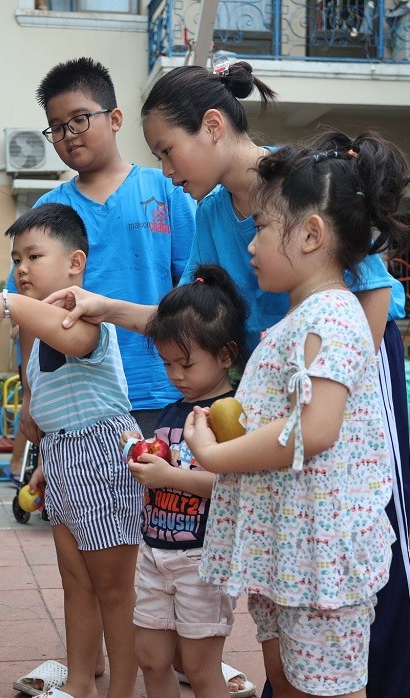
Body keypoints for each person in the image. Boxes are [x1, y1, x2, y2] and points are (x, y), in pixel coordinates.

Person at [139, 63, 410, 698]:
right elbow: (201, 308)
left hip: (321, 512)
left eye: (264, 232)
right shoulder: (278, 287)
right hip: (291, 516)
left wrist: (222, 452)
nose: (250, 243)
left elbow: (319, 423)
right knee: (291, 666)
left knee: (334, 650)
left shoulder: (312, 192)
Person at [0, 204, 144, 698]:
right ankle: (80, 682)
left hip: (105, 462)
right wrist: (45, 463)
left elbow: (62, 333)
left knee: (114, 591)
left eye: (33, 255)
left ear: (75, 263)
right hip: (66, 464)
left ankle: (123, 692)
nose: (21, 268)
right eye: (15, 259)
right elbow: (52, 415)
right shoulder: (34, 346)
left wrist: (3, 303)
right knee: (75, 584)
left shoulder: (86, 325)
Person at [18, 56, 196, 438]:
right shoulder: (47, 209)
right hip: (78, 401)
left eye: (80, 119)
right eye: (57, 127)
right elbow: (29, 306)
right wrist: (31, 393)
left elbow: (197, 289)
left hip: (162, 390)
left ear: (114, 119)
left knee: (162, 495)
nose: (69, 134)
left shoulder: (167, 189)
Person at [128, 264, 256, 698]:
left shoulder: (230, 414)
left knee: (201, 670)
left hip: (203, 558)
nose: (175, 375)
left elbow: (231, 486)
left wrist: (169, 476)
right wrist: (144, 458)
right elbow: (166, 473)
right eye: (167, 364)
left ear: (225, 355)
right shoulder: (172, 411)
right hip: (155, 551)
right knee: (149, 658)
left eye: (185, 363)